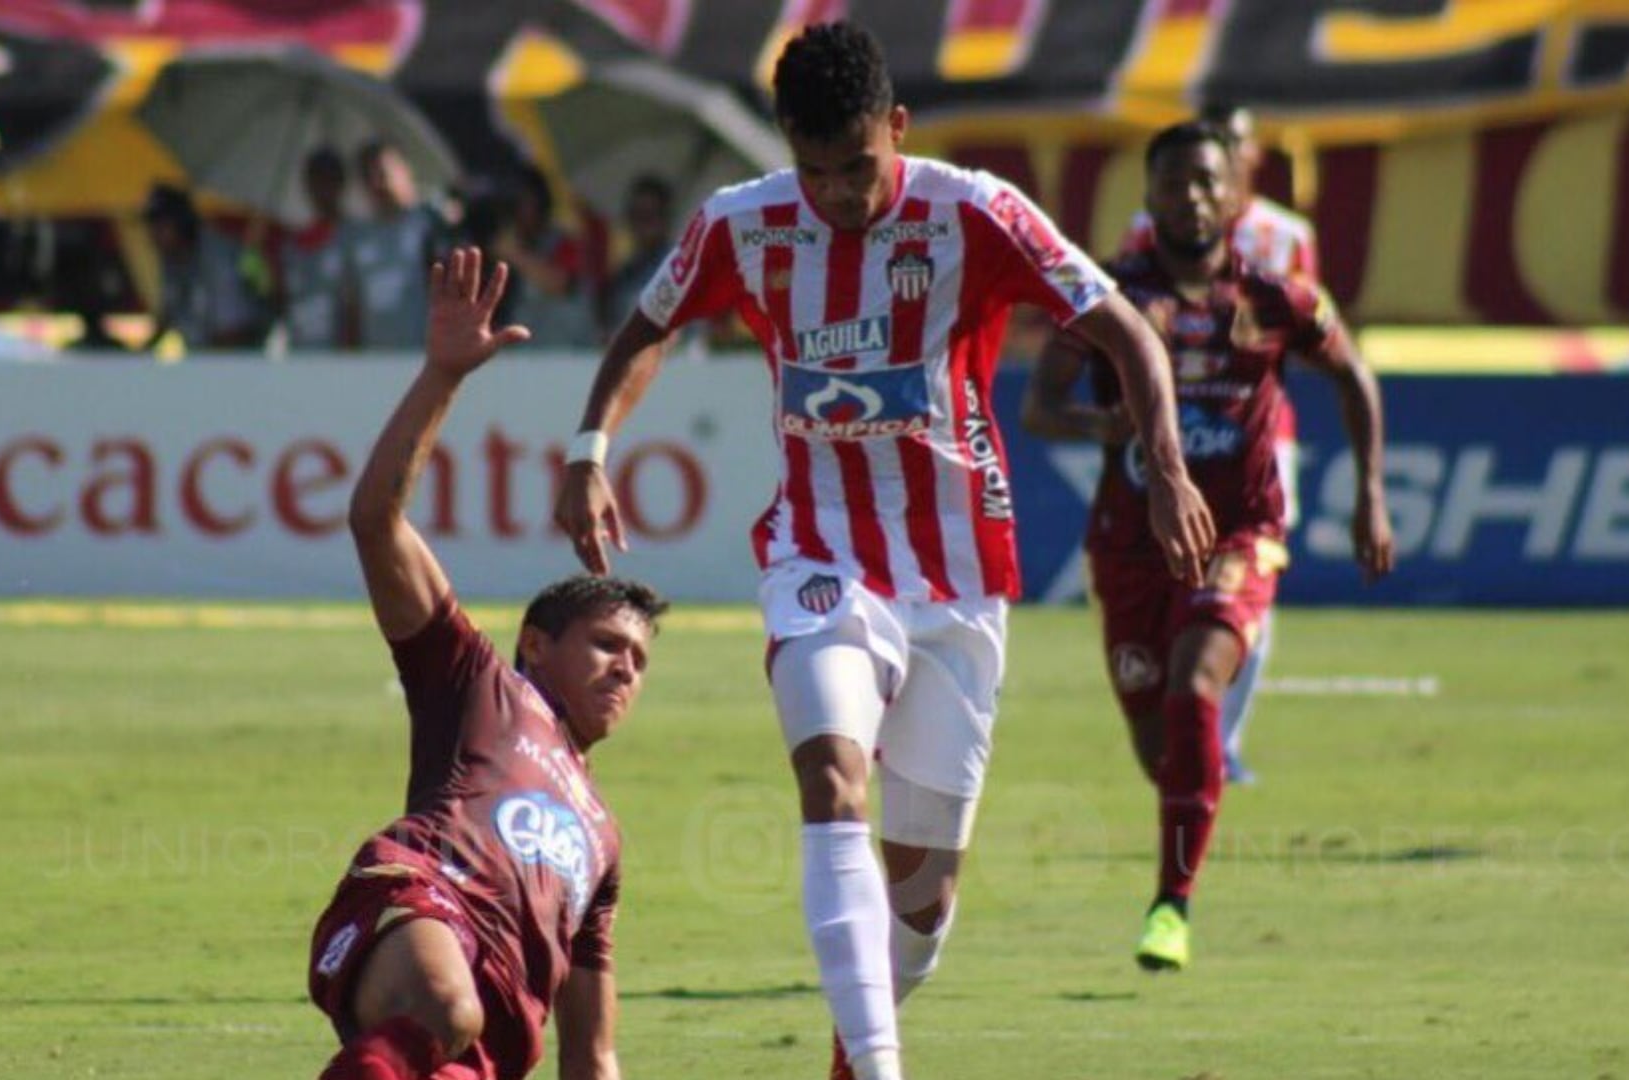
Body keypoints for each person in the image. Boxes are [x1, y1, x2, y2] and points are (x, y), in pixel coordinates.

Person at [553, 22, 1214, 1080]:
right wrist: (590, 448)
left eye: (857, 167)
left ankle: (853, 1053)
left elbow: (1125, 326)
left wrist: (1170, 467)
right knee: (831, 780)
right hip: (821, 560)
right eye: (813, 171)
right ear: (785, 150)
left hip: (957, 584)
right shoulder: (744, 223)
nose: (838, 194)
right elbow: (648, 326)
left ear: (896, 129)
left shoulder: (975, 212)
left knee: (924, 904)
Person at [1024, 120, 1393, 972]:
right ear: (1147, 197)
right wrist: (1101, 422)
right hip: (1131, 541)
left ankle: (1170, 905)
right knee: (1164, 752)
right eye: (1172, 183)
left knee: (1198, 684)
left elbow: (1354, 377)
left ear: (1236, 197)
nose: (1190, 197)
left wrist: (1369, 496)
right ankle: (1190, 822)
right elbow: (1040, 408)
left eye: (1205, 183)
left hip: (1239, 531)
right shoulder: (1108, 300)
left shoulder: (1277, 298)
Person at [308, 245, 664, 1080]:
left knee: (456, 1037)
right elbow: (375, 520)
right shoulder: (478, 685)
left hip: (495, 1039)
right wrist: (443, 375)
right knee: (446, 1007)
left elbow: (593, 1054)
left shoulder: (604, 843)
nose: (625, 670)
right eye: (608, 645)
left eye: (641, 662)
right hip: (417, 901)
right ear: (536, 644)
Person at [1120, 104, 1319, 784]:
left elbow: (1307, 332)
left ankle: (1221, 739)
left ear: (1251, 158)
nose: (1226, 160)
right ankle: (1188, 723)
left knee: (1252, 577)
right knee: (1174, 582)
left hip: (1260, 434)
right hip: (1174, 434)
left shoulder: (1286, 237)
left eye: (1237, 147)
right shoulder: (1148, 231)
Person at [141, 184, 266, 353]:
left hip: (236, 364)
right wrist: (135, 359)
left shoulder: (217, 257)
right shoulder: (172, 260)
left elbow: (232, 334)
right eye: (151, 226)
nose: (152, 234)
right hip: (202, 362)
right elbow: (168, 317)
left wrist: (202, 370)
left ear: (182, 223)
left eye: (161, 225)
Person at [348, 142, 448, 351]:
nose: (377, 183)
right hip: (374, 359)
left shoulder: (430, 223)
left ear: (405, 170)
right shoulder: (357, 237)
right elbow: (353, 307)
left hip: (423, 354)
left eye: (383, 173)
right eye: (368, 177)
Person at [492, 163, 594, 349]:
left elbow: (560, 283)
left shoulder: (564, 243)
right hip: (524, 354)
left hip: (566, 352)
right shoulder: (508, 247)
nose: (517, 211)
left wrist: (513, 254)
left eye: (523, 201)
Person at [279, 146, 356, 352]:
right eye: (314, 180)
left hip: (345, 361)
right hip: (302, 354)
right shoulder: (292, 247)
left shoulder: (356, 238)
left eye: (327, 179)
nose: (320, 189)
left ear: (340, 183)